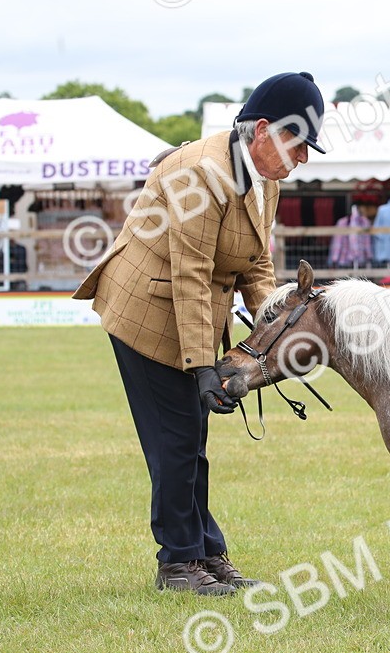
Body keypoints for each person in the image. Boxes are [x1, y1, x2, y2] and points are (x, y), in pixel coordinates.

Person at [73, 71, 326, 594]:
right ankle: (178, 564)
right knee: (175, 442)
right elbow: (189, 274)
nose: (302, 159)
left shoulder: (264, 177)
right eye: (298, 146)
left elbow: (257, 262)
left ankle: (207, 554)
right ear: (263, 130)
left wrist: (272, 331)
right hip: (146, 309)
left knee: (193, 441)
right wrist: (200, 366)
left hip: (189, 309)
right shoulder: (200, 175)